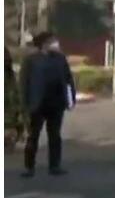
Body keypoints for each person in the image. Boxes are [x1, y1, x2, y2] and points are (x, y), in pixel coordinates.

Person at [19, 31, 75, 177]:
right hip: (37, 104)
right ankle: (29, 167)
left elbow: (68, 80)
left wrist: (71, 99)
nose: (55, 43)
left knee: (55, 136)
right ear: (44, 44)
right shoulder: (31, 60)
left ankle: (55, 165)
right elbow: (24, 83)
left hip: (56, 104)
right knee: (33, 136)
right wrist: (24, 104)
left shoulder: (60, 59)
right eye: (52, 41)